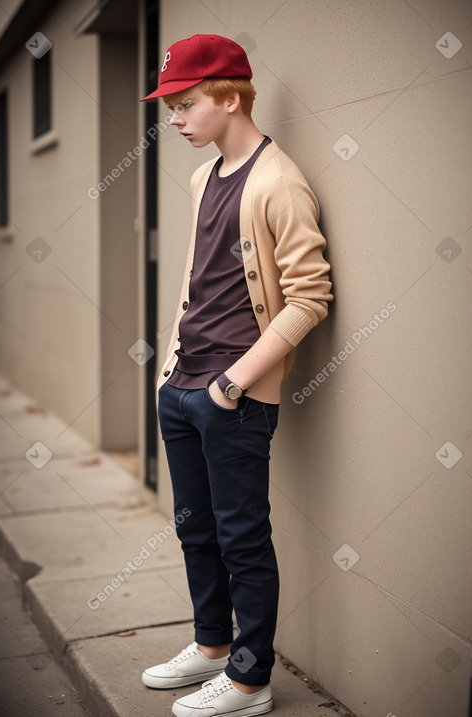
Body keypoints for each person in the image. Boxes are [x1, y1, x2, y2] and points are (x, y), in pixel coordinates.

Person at [140, 33, 333, 717]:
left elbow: (311, 296)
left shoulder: (280, 182)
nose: (176, 118)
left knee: (241, 535)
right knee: (196, 528)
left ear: (229, 97)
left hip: (234, 397)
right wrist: (173, 378)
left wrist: (232, 384)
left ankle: (251, 679)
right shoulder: (203, 177)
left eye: (186, 104)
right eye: (171, 106)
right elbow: (204, 283)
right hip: (183, 386)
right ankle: (213, 644)